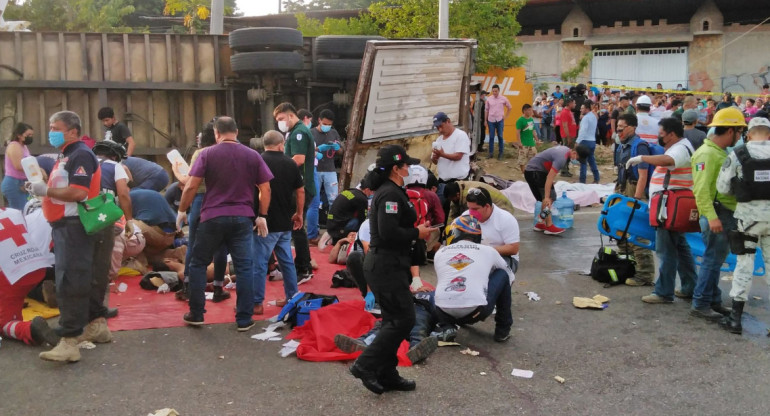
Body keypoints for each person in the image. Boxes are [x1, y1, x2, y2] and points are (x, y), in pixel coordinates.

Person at [28, 111, 114, 362]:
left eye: (56, 128)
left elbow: (78, 192)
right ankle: (97, 324)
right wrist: (41, 189)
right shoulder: (67, 155)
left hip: (74, 225)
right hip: (70, 224)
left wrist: (46, 189)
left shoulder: (80, 154)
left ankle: (69, 340)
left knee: (70, 279)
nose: (51, 132)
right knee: (86, 276)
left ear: (73, 131)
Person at [349, 145, 434, 395]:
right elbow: (388, 233)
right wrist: (416, 233)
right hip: (386, 265)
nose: (410, 168)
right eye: (406, 165)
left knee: (393, 319)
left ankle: (387, 372)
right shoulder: (389, 195)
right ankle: (365, 365)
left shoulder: (393, 192)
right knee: (404, 318)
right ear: (396, 169)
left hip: (390, 263)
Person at [176, 116, 273, 331]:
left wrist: (182, 210)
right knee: (245, 266)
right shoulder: (252, 155)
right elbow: (265, 189)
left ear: (217, 134)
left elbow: (191, 186)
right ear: (237, 132)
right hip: (242, 218)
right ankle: (244, 318)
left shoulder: (207, 154)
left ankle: (197, 312)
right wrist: (262, 215)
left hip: (212, 217)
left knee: (199, 263)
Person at [626, 118, 698, 305]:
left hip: (669, 207)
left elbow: (669, 161)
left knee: (666, 251)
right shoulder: (680, 146)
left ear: (672, 134)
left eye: (661, 134)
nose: (659, 137)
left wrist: (642, 158)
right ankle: (690, 286)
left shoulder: (680, 149)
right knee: (681, 249)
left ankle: (664, 292)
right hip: (669, 205)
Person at [688, 108, 744, 320]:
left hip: (722, 213)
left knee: (715, 260)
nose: (740, 137)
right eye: (739, 132)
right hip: (717, 213)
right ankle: (701, 303)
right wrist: (711, 217)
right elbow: (701, 190)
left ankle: (713, 300)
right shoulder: (708, 154)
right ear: (731, 131)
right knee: (712, 260)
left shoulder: (718, 153)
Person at [716, 117, 770, 333]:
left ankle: (735, 319)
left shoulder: (738, 154)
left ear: (748, 134)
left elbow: (722, 187)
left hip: (748, 220)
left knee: (744, 264)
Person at [433, 215, 515, 342]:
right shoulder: (488, 250)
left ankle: (446, 326)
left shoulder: (440, 253)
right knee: (502, 274)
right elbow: (510, 277)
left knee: (437, 291)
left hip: (443, 311)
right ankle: (502, 331)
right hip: (477, 311)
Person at [171, 123, 229, 302]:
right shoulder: (228, 153)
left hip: (201, 201)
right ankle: (218, 286)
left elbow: (189, 182)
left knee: (195, 245)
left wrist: (175, 169)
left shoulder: (201, 153)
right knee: (221, 247)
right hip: (223, 202)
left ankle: (189, 286)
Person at [251, 130, 304, 315]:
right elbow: (300, 191)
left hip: (265, 221)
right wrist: (299, 213)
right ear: (281, 144)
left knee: (258, 263)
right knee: (287, 262)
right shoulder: (290, 163)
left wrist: (258, 215)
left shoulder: (258, 161)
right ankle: (293, 298)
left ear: (263, 144)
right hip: (285, 221)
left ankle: (256, 302)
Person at [0, 204, 59, 347]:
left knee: (4, 323)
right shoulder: (12, 211)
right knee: (15, 302)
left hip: (12, 276)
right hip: (37, 267)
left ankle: (29, 330)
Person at [274, 102, 316, 282]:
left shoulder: (299, 132)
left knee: (296, 226)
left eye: (281, 119)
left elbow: (298, 159)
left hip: (301, 187)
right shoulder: (295, 131)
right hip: (300, 186)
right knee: (296, 227)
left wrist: (278, 168)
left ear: (290, 115)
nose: (280, 123)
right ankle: (300, 264)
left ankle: (303, 268)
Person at [614, 113, 656, 285]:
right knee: (620, 229)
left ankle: (644, 275)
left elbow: (643, 175)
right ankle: (629, 266)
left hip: (634, 190)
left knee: (636, 231)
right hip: (623, 188)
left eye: (621, 129)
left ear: (632, 127)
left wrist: (636, 201)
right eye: (617, 129)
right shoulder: (621, 146)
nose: (618, 132)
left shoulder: (640, 147)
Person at [525, 144, 589, 235]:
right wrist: (547, 196)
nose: (576, 161)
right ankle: (549, 226)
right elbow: (549, 178)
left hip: (534, 171)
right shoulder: (561, 158)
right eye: (577, 159)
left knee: (550, 198)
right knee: (548, 198)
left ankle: (540, 222)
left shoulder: (565, 150)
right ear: (574, 153)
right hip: (535, 172)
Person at [461, 187, 520, 273]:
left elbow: (513, 248)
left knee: (488, 273)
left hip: (504, 257)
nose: (471, 212)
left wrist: (485, 251)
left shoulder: (506, 219)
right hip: (475, 255)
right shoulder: (465, 217)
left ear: (487, 206)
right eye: (469, 208)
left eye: (475, 209)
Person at [443, 180, 515, 226]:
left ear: (457, 194)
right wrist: (449, 229)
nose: (451, 201)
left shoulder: (467, 196)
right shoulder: (456, 193)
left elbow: (470, 219)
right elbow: (452, 214)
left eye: (451, 199)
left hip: (503, 205)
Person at [326, 181, 372, 245]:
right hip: (338, 229)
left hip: (331, 224)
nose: (372, 194)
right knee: (361, 222)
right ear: (367, 190)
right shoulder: (362, 198)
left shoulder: (350, 191)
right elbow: (362, 218)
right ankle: (348, 237)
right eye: (372, 191)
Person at [431, 112, 471, 181]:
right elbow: (435, 162)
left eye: (441, 126)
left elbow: (458, 156)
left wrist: (442, 154)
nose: (440, 130)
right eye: (437, 128)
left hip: (458, 180)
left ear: (448, 121)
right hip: (443, 179)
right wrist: (435, 157)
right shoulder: (439, 140)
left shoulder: (460, 135)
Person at [2, 123, 34, 210]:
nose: (30, 137)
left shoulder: (24, 146)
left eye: (31, 135)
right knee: (20, 211)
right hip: (14, 182)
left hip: (23, 182)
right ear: (19, 135)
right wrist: (37, 169)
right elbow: (19, 166)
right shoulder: (14, 146)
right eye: (28, 135)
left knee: (27, 209)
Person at [485, 84, 512, 160]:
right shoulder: (489, 99)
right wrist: (485, 120)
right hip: (491, 120)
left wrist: (506, 116)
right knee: (491, 137)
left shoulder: (503, 98)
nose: (494, 93)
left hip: (500, 119)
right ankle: (490, 153)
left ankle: (501, 153)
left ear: (499, 91)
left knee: (500, 136)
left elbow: (510, 107)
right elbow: (486, 110)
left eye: (496, 91)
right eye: (493, 91)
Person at [576, 102, 600, 184]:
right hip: (592, 141)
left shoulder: (585, 118)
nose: (581, 110)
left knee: (583, 162)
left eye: (582, 108)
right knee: (591, 160)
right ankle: (596, 178)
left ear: (587, 108)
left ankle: (582, 181)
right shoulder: (593, 116)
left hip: (585, 141)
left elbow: (583, 130)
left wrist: (577, 141)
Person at [515, 104, 539, 173]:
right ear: (524, 111)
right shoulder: (520, 120)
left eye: (531, 110)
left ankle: (531, 171)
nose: (531, 112)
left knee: (534, 159)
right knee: (522, 160)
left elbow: (533, 131)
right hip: (524, 144)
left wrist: (537, 140)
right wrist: (519, 142)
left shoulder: (531, 119)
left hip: (531, 143)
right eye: (529, 110)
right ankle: (524, 173)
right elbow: (518, 132)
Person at [558, 98, 577, 177]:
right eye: (573, 103)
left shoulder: (569, 112)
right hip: (567, 136)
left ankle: (566, 169)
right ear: (569, 103)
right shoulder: (565, 112)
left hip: (571, 135)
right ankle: (564, 170)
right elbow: (565, 126)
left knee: (569, 153)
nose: (574, 104)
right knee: (566, 153)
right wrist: (568, 137)